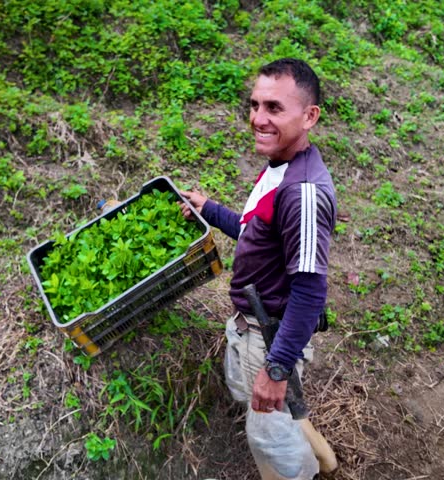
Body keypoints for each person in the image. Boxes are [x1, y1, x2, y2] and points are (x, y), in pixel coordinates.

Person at [180, 58, 336, 480]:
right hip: (251, 323)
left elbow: (309, 293)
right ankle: (324, 459)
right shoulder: (279, 167)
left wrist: (277, 370)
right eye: (254, 105)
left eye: (274, 108)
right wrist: (209, 210)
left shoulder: (302, 193)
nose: (258, 119)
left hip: (271, 335)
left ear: (309, 116)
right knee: (264, 407)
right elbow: (256, 232)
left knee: (269, 437)